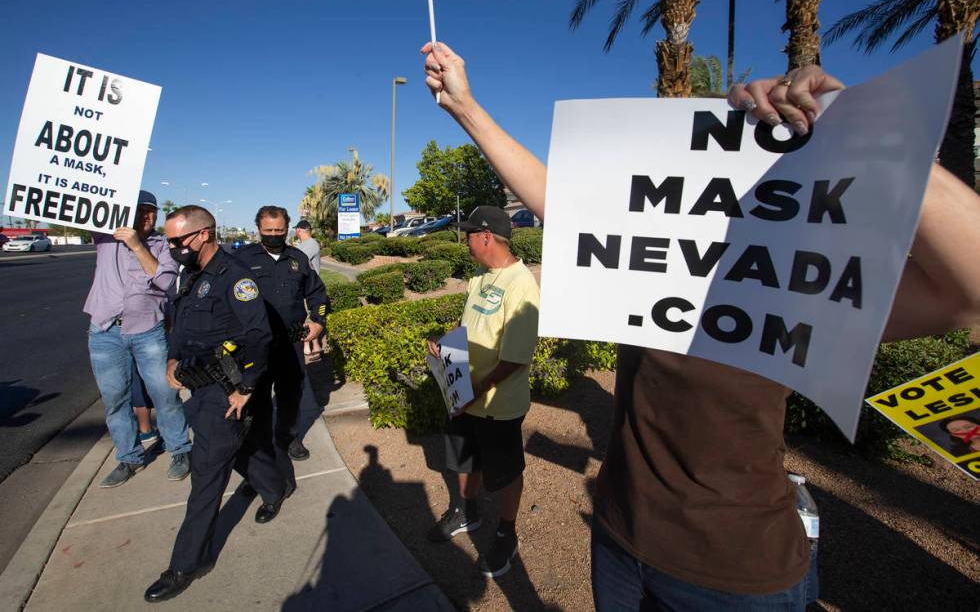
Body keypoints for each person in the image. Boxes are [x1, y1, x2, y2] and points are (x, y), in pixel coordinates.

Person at [420, 42, 980, 609]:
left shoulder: (795, 285)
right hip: (618, 538)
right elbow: (558, 201)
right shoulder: (644, 269)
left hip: (734, 573)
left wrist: (858, 132)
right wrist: (464, 107)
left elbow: (968, 291)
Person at [145, 205, 287, 603]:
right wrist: (173, 359)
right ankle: (275, 488)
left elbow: (259, 336)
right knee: (239, 451)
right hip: (199, 386)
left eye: (177, 241)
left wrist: (246, 389)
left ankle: (187, 563)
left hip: (228, 389)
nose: (172, 247)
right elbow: (180, 323)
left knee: (206, 474)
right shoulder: (190, 275)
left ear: (204, 234)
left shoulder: (235, 278)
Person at [425, 205, 540, 579]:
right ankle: (467, 511)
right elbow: (468, 326)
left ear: (487, 236)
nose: (466, 241)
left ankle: (507, 532)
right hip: (465, 395)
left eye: (469, 234)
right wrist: (446, 346)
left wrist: (477, 390)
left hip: (496, 404)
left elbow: (516, 359)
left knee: (505, 472)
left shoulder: (521, 285)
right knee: (463, 459)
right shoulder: (479, 275)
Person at [84, 189, 191, 488]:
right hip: (105, 331)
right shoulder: (106, 238)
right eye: (141, 210)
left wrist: (135, 245)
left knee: (165, 394)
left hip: (148, 329)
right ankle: (129, 457)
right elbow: (83, 206)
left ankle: (180, 450)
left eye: (151, 211)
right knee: (115, 399)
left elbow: (165, 281)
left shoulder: (163, 245)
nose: (148, 216)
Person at [236, 206, 328, 470]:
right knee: (259, 397)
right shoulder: (241, 259)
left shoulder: (298, 258)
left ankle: (287, 437)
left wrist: (318, 321)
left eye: (279, 231)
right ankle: (260, 444)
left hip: (291, 343)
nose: (274, 235)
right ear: (259, 230)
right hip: (255, 346)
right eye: (268, 231)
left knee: (291, 394)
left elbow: (318, 294)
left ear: (287, 229)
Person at [293, 219, 324, 363]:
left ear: (299, 230)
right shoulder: (304, 244)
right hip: (304, 286)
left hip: (310, 288)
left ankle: (309, 348)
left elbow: (296, 259)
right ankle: (316, 347)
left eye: (295, 230)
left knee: (307, 319)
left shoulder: (310, 244)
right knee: (309, 319)